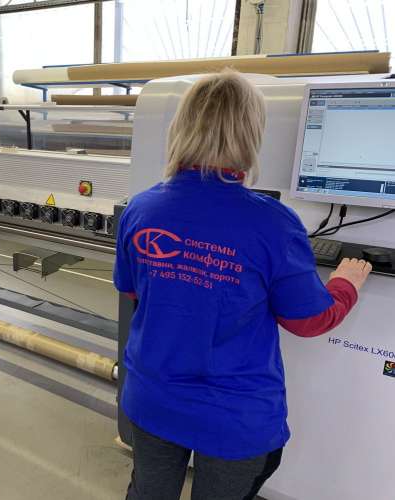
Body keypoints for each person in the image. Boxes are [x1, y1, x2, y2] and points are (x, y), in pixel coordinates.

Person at [113, 71, 372, 500]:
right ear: (252, 134)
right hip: (233, 418)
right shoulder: (273, 223)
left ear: (181, 127)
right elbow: (310, 320)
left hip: (153, 398)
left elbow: (132, 290)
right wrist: (346, 284)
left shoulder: (141, 209)